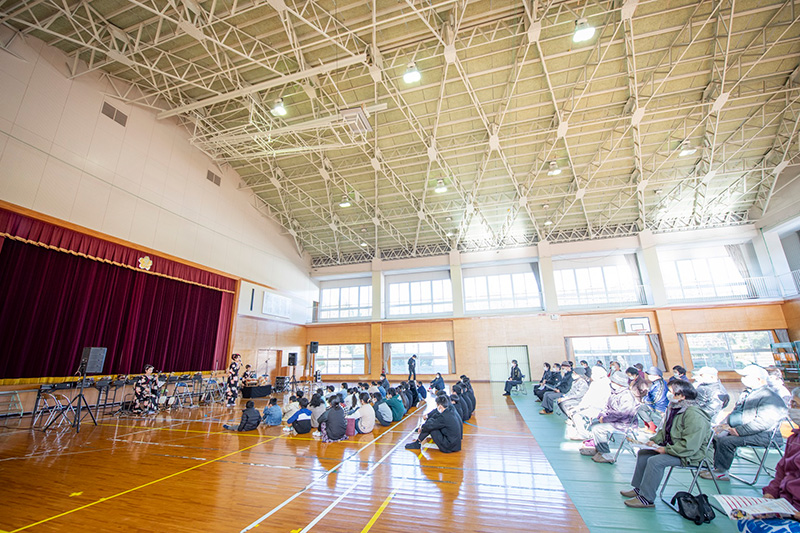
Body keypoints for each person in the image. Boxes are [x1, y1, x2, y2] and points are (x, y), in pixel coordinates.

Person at [620, 380, 713, 509]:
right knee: (644, 453)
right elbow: (665, 431)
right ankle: (639, 489)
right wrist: (654, 441)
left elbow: (690, 445)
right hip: (676, 448)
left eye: (671, 392)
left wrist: (666, 450)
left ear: (681, 396)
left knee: (655, 461)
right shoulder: (675, 409)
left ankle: (647, 498)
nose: (668, 394)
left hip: (692, 454)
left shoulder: (693, 414)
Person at [701, 365, 787, 482]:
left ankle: (722, 472)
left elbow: (763, 423)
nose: (743, 379)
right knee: (717, 436)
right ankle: (717, 468)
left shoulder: (769, 397)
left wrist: (739, 431)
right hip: (742, 430)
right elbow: (735, 412)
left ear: (758, 379)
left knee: (726, 441)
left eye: (746, 376)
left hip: (762, 435)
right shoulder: (747, 393)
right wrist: (722, 424)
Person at [738, 388, 800, 533]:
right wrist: (771, 494)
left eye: (795, 405)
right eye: (792, 404)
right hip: (787, 505)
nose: (791, 409)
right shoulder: (794, 438)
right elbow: (782, 471)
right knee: (744, 519)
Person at [582, 371, 639, 463]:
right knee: (594, 423)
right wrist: (601, 416)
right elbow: (606, 407)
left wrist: (605, 419)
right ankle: (599, 449)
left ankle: (606, 454)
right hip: (613, 420)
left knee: (598, 429)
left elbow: (622, 414)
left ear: (619, 384)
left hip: (623, 423)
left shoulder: (626, 396)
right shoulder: (614, 393)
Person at [638, 366, 668, 433]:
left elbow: (655, 399)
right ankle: (648, 425)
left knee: (640, 408)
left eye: (650, 375)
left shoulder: (660, 384)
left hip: (659, 406)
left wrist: (645, 400)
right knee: (639, 408)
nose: (649, 376)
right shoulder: (656, 383)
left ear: (657, 375)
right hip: (654, 404)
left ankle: (652, 426)